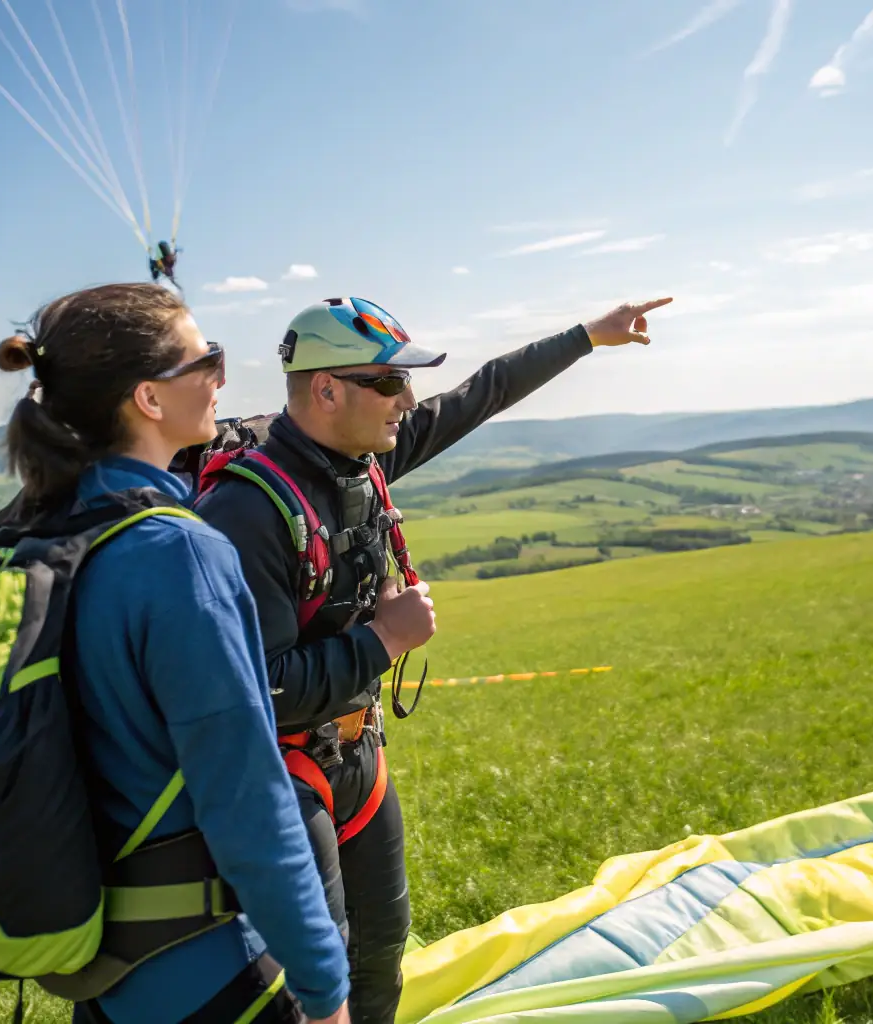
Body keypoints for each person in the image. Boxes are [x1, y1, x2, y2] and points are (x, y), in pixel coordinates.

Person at [193, 294, 673, 1024]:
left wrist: (586, 337)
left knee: (381, 947)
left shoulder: (363, 454)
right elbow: (256, 692)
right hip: (283, 773)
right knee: (311, 976)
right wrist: (384, 640)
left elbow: (478, 394)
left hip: (358, 754)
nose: (406, 401)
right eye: (388, 383)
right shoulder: (248, 508)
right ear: (325, 389)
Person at [0, 283, 351, 1024]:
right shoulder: (178, 552)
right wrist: (324, 989)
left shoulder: (40, 530)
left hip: (99, 968)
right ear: (149, 399)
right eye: (207, 357)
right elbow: (248, 801)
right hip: (201, 970)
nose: (222, 375)